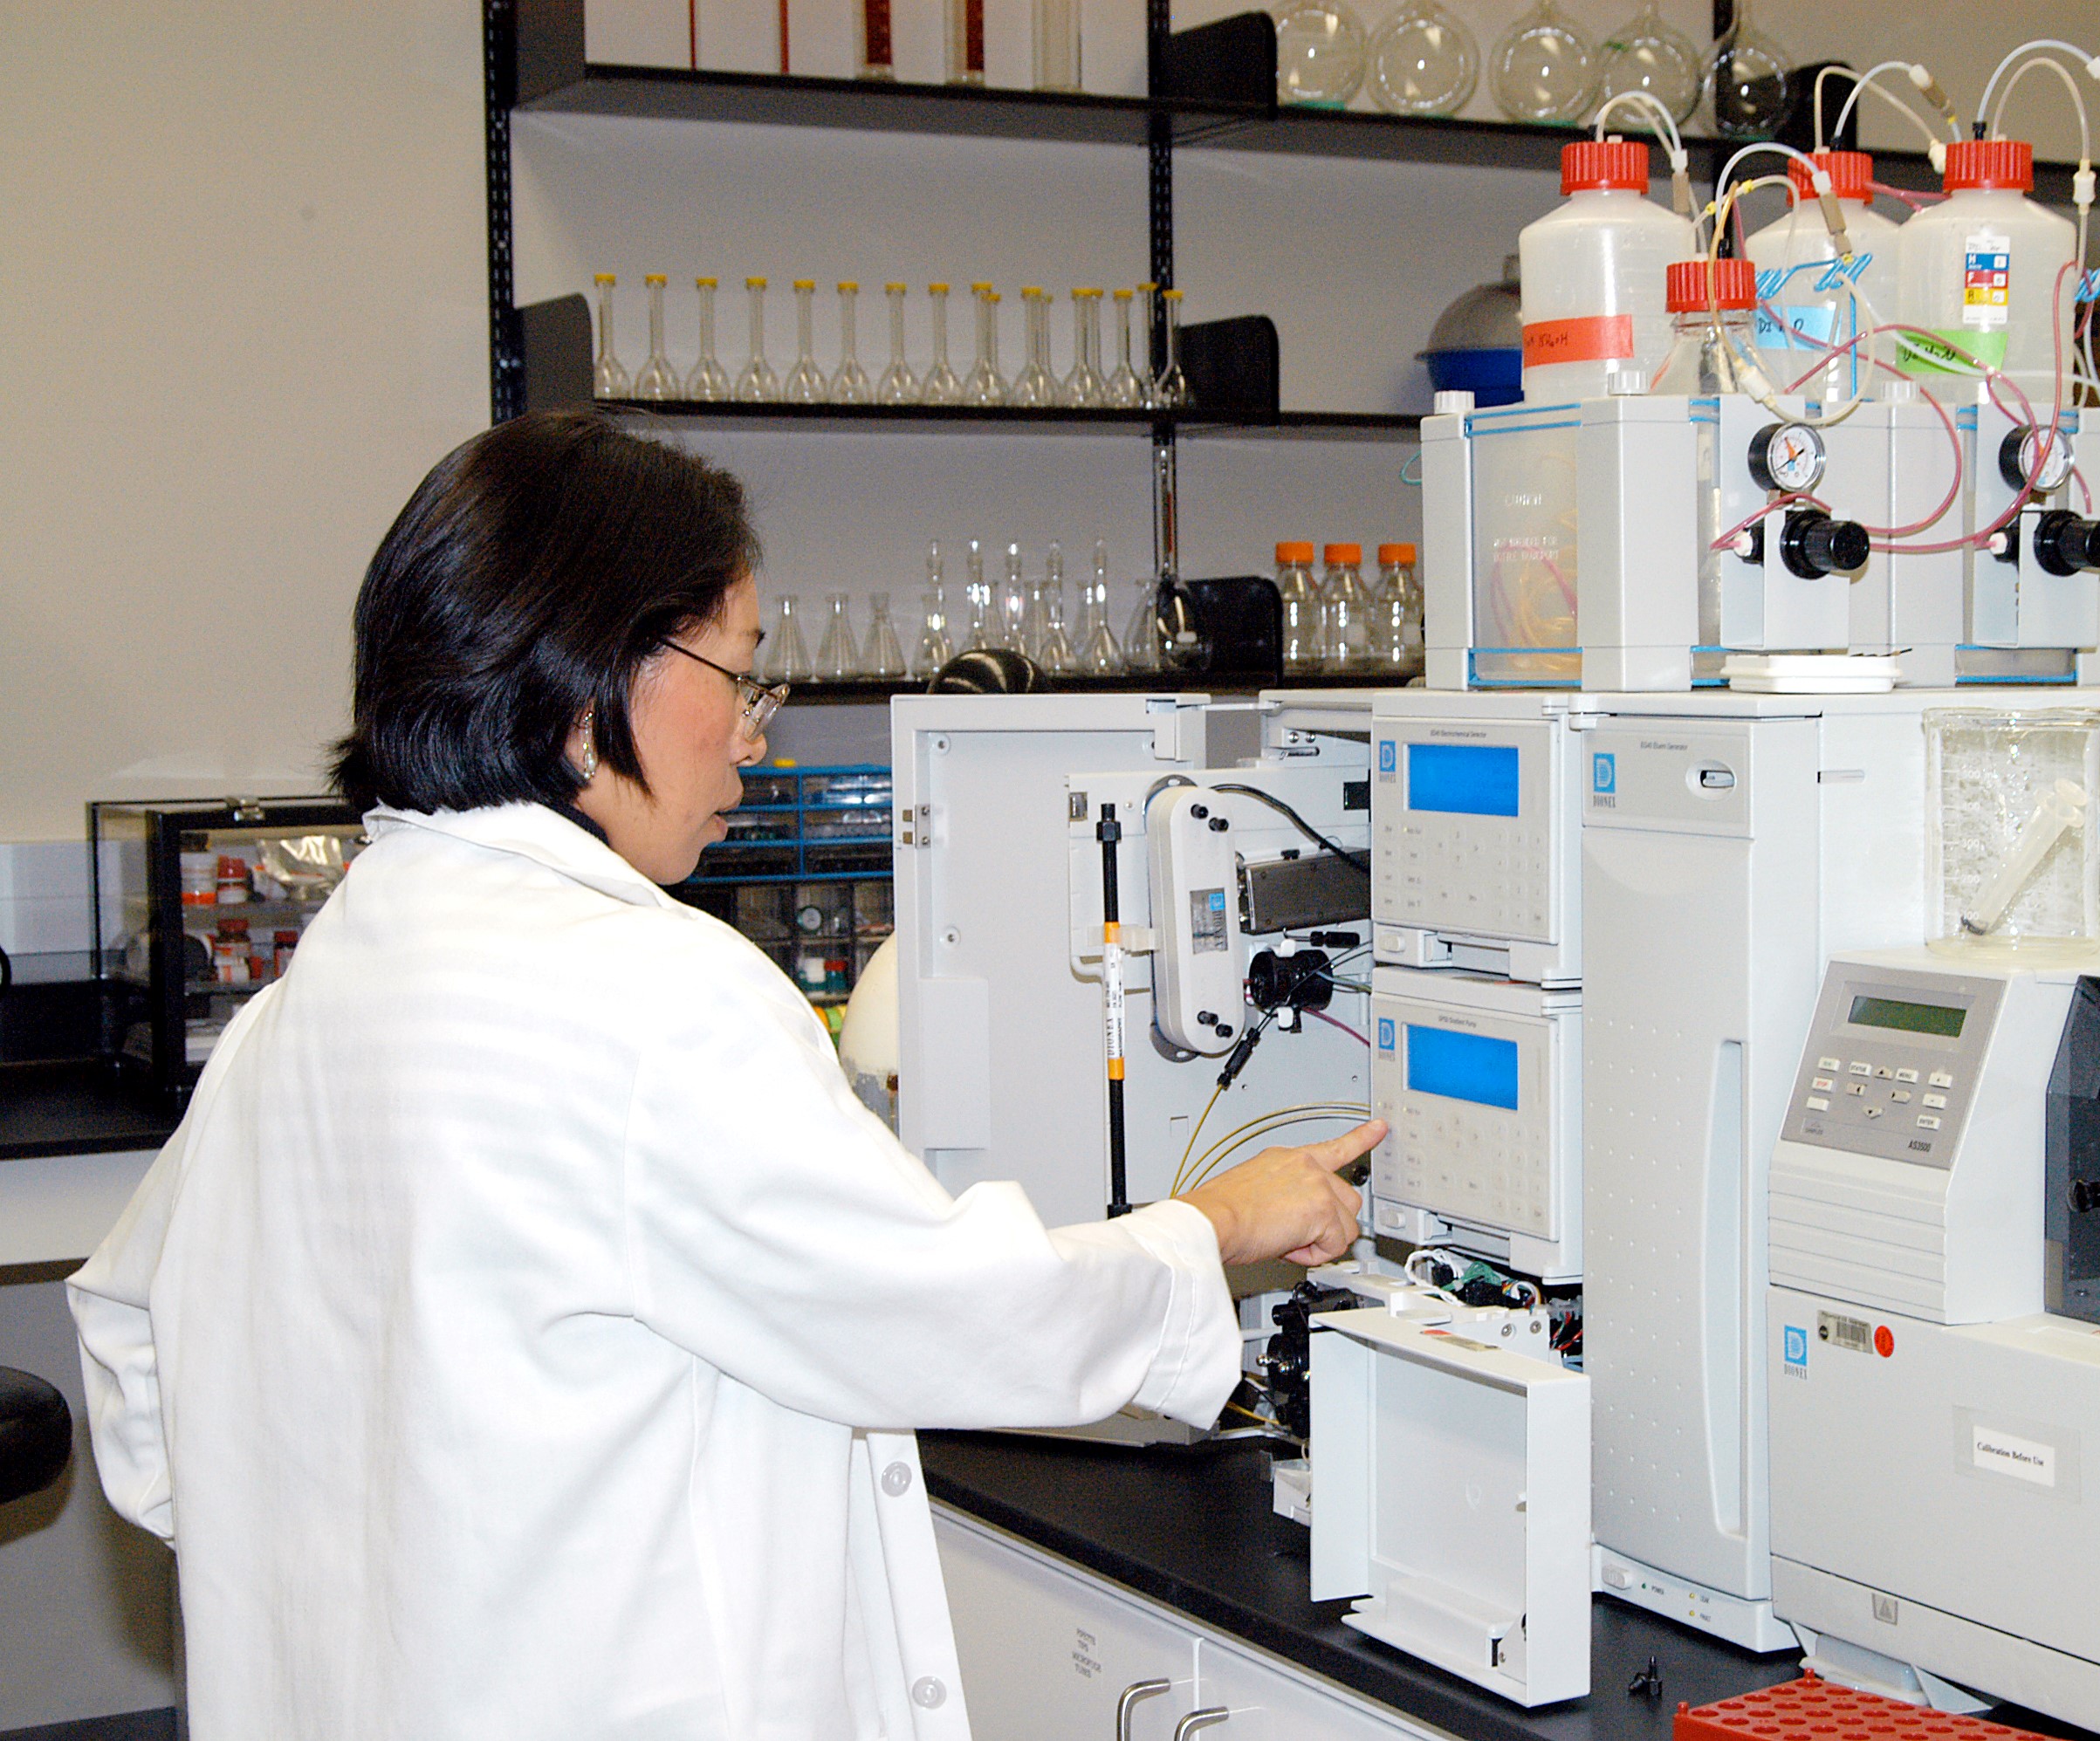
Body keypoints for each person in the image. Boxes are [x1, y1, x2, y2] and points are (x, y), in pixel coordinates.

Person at [66, 409, 1383, 1741]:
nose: (754, 737)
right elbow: (947, 1313)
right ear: (588, 684)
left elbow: (130, 1344)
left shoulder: (294, 1016)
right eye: (741, 676)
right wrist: (1219, 1223)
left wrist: (327, 1575)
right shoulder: (651, 994)